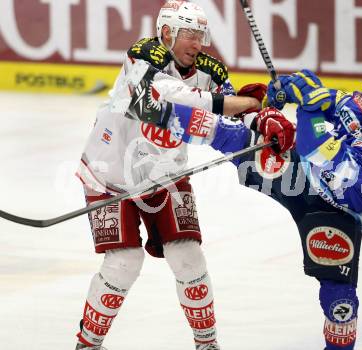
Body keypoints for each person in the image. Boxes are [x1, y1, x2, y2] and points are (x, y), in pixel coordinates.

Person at [143, 70, 362, 350]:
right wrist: (294, 86)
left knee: (340, 302)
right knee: (235, 135)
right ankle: (159, 112)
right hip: (298, 174)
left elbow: (316, 148)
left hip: (335, 211)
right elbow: (330, 99)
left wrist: (309, 105)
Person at [74, 1, 265, 349]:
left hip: (166, 173)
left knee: (188, 257)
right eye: (189, 35)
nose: (197, 44)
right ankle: (87, 343)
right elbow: (165, 101)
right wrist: (239, 107)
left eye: (201, 35)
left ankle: (207, 344)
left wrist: (262, 117)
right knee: (124, 262)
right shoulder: (142, 55)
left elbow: (235, 111)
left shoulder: (210, 69)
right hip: (109, 173)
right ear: (167, 33)